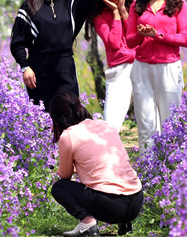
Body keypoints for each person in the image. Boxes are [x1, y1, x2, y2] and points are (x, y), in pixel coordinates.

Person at [49, 90, 143, 237]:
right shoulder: (104, 125)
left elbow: (65, 176)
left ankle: (87, 222)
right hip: (136, 201)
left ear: (57, 118)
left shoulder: (69, 135)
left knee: (59, 187)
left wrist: (76, 166)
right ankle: (125, 224)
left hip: (111, 207)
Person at [10, 0, 100, 108]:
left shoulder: (72, 4)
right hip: (38, 72)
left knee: (70, 115)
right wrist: (25, 67)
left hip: (65, 69)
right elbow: (17, 43)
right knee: (44, 120)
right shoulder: (29, 6)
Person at [125, 0, 187, 154]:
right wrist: (141, 34)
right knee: (146, 124)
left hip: (168, 68)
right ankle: (148, 174)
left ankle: (172, 171)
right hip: (141, 69)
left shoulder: (179, 5)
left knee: (170, 122)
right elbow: (129, 41)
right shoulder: (136, 7)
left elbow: (185, 39)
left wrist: (158, 35)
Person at [88, 0, 137, 131]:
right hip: (119, 71)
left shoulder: (137, 4)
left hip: (144, 66)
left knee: (152, 123)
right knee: (110, 126)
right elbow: (114, 44)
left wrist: (123, 10)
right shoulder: (99, 16)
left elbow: (138, 36)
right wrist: (116, 13)